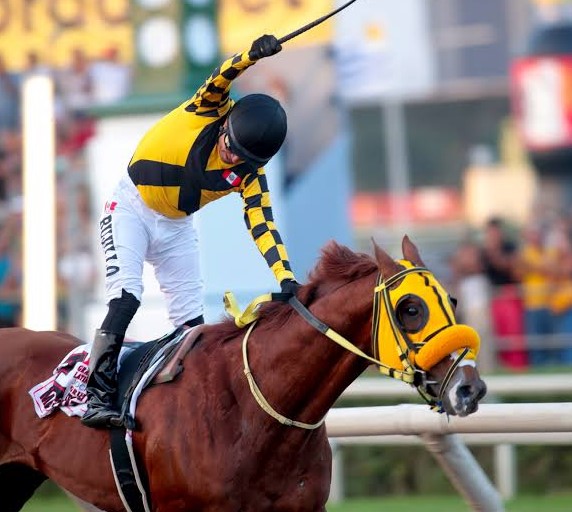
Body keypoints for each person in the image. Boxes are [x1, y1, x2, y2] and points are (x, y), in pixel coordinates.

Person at [82, 35, 299, 429]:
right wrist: (252, 55)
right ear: (226, 124)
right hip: (130, 209)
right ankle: (95, 396)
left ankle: (195, 407)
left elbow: (263, 226)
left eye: (242, 158)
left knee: (194, 328)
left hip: (177, 227)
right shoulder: (209, 107)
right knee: (126, 297)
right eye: (230, 146)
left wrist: (286, 278)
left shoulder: (250, 174)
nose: (231, 158)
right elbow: (222, 75)